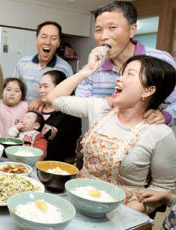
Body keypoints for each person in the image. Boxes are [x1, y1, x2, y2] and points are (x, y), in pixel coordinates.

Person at [46, 46, 176, 214]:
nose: (118, 80)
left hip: (123, 212)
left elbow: (161, 188)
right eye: (122, 73)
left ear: (148, 90)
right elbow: (54, 98)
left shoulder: (160, 134)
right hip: (78, 200)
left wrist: (129, 213)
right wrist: (88, 70)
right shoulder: (101, 108)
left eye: (129, 74)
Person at [75, 1, 176, 127]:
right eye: (98, 30)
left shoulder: (162, 59)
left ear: (132, 30)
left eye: (112, 28)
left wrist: (166, 115)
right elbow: (78, 104)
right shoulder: (93, 66)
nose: (103, 36)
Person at [13, 21, 73, 105]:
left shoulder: (65, 68)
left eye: (53, 38)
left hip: (49, 116)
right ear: (37, 39)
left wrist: (41, 101)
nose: (48, 42)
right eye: (44, 37)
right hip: (23, 115)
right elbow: (13, 89)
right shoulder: (22, 63)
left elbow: (66, 97)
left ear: (58, 43)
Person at [37, 70, 81, 163]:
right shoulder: (36, 110)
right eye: (40, 86)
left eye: (45, 86)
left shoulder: (70, 113)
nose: (41, 90)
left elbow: (64, 147)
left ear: (60, 87)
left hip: (56, 167)